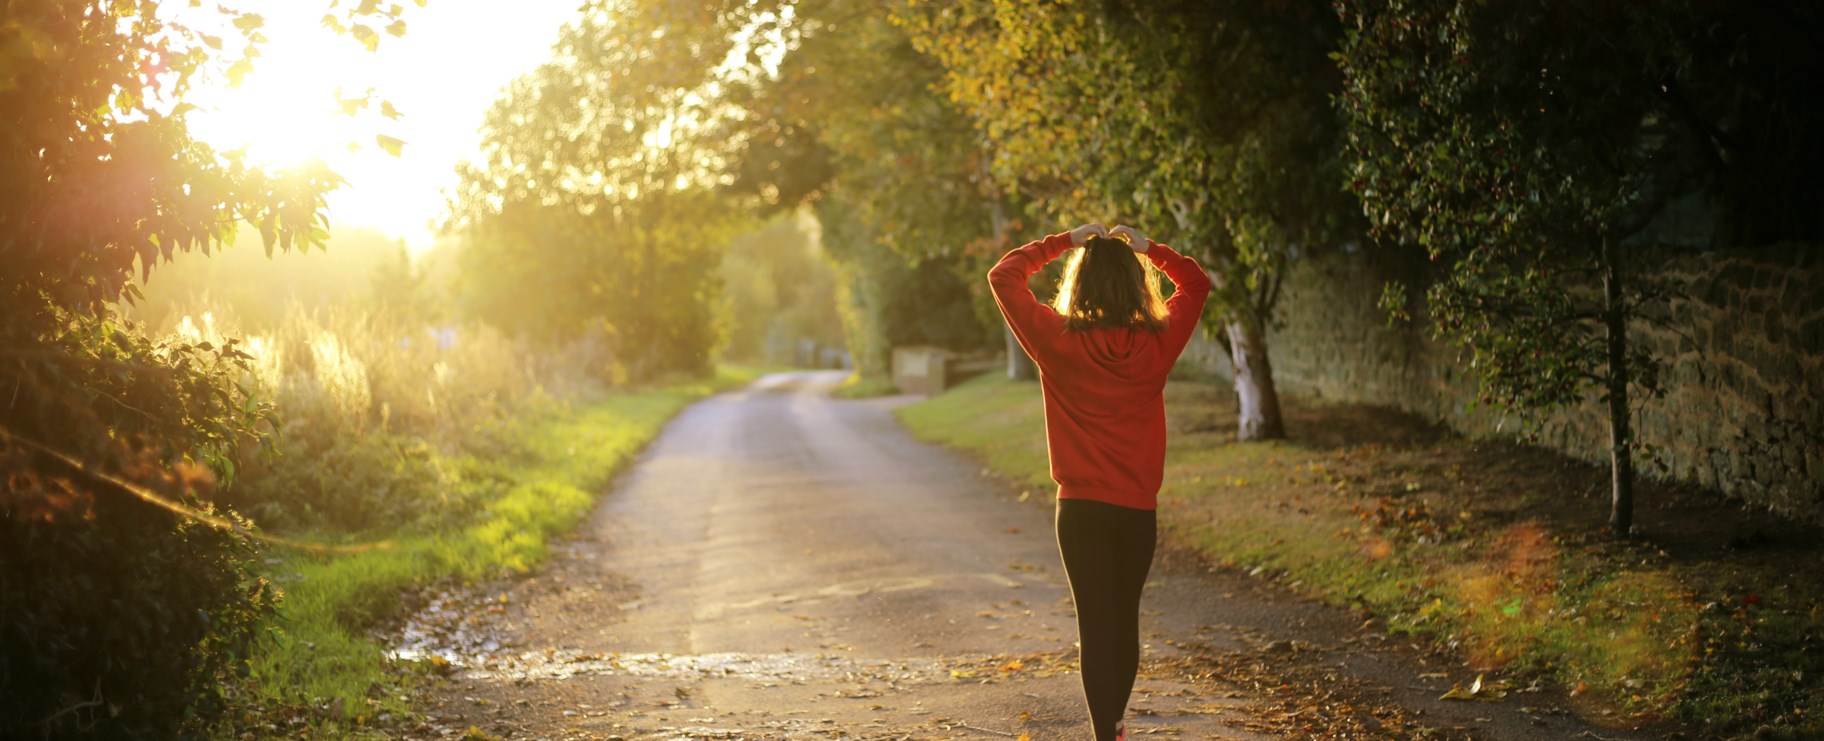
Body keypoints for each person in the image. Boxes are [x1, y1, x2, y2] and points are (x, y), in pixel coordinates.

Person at [986, 222, 1211, 741]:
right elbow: (1196, 285)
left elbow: (1004, 276)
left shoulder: (1056, 339)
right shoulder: (1157, 341)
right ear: (1136, 284)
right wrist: (1150, 249)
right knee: (1124, 619)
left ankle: (1104, 737)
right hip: (1136, 509)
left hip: (1081, 509)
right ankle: (1115, 726)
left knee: (1095, 625)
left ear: (1080, 284)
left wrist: (1064, 241)